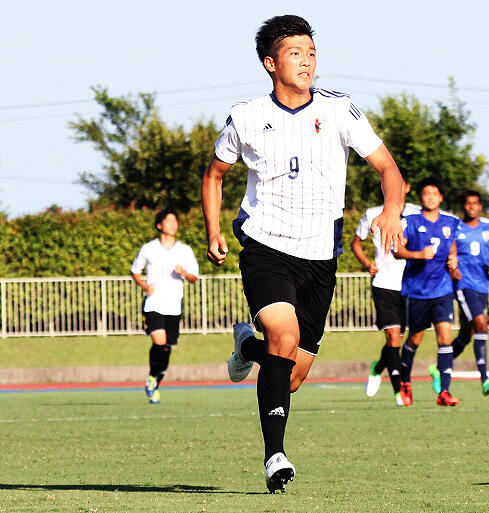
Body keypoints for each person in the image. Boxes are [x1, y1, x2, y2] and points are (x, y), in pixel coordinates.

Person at [200, 15, 404, 493]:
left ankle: (247, 347)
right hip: (266, 246)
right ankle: (275, 457)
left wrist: (392, 209)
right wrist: (213, 229)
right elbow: (214, 176)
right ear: (270, 63)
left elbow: (388, 169)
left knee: (289, 375)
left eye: (311, 53)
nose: (307, 61)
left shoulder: (340, 109)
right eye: (295, 53)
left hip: (320, 257)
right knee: (283, 335)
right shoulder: (246, 116)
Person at [351, 169, 420, 406]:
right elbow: (356, 243)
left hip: (410, 285)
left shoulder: (417, 214)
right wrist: (366, 263)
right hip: (383, 283)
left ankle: (377, 367)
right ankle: (399, 392)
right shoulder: (372, 214)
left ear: (407, 188)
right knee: (392, 337)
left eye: (400, 184)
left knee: (397, 340)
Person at [393, 177, 461, 407]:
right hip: (417, 291)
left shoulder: (451, 222)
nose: (430, 197)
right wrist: (418, 254)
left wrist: (453, 260)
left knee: (445, 337)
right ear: (421, 197)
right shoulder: (409, 222)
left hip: (442, 290)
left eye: (435, 193)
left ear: (441, 197)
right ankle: (405, 382)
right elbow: (397, 250)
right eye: (426, 193)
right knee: (415, 338)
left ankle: (445, 391)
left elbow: (453, 247)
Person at [430, 191, 489, 396]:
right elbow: (447, 252)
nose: (471, 207)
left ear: (480, 206)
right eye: (468, 203)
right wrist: (452, 267)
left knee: (467, 333)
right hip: (464, 285)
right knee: (482, 324)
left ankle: (439, 368)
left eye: (475, 203)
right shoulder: (455, 227)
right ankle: (485, 380)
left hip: (483, 285)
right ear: (463, 206)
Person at [130, 208, 199, 405]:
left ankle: (154, 380)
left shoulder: (184, 250)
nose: (173, 224)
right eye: (168, 221)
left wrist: (184, 272)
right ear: (159, 225)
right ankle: (153, 378)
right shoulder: (148, 248)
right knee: (159, 342)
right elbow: (135, 270)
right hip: (154, 303)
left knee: (167, 347)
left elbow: (194, 277)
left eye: (175, 221)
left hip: (174, 305)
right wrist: (144, 286)